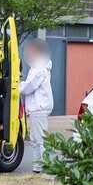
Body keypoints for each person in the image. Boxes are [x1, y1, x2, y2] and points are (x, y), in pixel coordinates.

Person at [19, 38, 54, 174]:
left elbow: (29, 87)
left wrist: (18, 85)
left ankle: (44, 167)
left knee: (39, 139)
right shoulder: (41, 66)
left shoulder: (38, 68)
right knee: (36, 138)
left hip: (38, 108)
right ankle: (38, 167)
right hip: (38, 108)